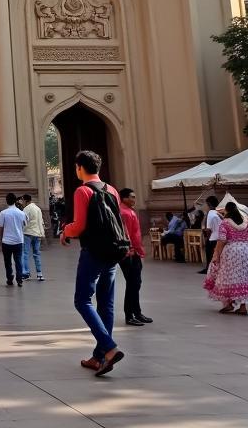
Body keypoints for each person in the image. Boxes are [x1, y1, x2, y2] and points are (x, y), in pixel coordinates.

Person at [62, 149, 127, 377]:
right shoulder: (112, 190)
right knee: (106, 303)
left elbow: (79, 226)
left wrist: (65, 231)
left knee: (82, 300)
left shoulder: (82, 191)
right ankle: (99, 356)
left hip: (93, 252)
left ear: (80, 167)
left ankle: (108, 349)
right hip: (113, 251)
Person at [203, 201, 248, 314]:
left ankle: (229, 304)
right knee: (244, 277)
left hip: (230, 252)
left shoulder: (225, 223)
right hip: (245, 251)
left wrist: (216, 255)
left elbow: (222, 240)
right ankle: (243, 307)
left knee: (229, 277)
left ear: (227, 211)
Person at [118, 188, 151, 326]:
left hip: (134, 252)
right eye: (132, 197)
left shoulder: (129, 211)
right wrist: (132, 249)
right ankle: (129, 315)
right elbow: (126, 234)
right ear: (124, 198)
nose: (134, 199)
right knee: (132, 284)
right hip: (129, 253)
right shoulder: (124, 212)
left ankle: (136, 312)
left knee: (135, 283)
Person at [0, 193, 27, 286]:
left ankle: (9, 278)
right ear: (15, 201)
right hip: (18, 240)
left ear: (6, 201)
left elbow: (0, 226)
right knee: (18, 260)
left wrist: (0, 238)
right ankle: (19, 279)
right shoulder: (21, 213)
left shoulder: (3, 213)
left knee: (7, 261)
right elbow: (25, 224)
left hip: (6, 241)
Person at [22, 194, 45, 281]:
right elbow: (41, 221)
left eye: (22, 200)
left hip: (28, 233)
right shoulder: (38, 208)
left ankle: (26, 273)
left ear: (25, 200)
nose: (22, 202)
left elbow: (23, 221)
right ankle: (39, 274)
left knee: (25, 253)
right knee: (37, 254)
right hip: (37, 233)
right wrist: (42, 233)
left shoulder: (26, 209)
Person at [200, 196, 221, 274]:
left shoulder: (210, 214)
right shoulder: (218, 213)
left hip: (212, 238)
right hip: (219, 237)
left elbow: (208, 229)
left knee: (209, 254)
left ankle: (208, 269)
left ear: (208, 204)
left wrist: (207, 237)